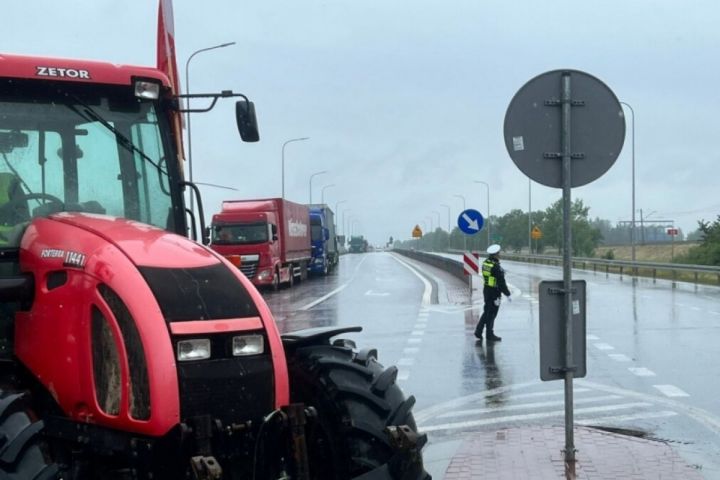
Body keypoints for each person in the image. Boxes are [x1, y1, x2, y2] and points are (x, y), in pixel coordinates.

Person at [474, 244, 511, 342]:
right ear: (495, 254)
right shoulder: (496, 266)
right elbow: (501, 282)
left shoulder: (486, 263)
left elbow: (491, 276)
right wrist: (507, 294)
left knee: (487, 311)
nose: (500, 255)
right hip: (495, 292)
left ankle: (478, 331)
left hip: (486, 290)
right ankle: (489, 334)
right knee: (492, 313)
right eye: (498, 253)